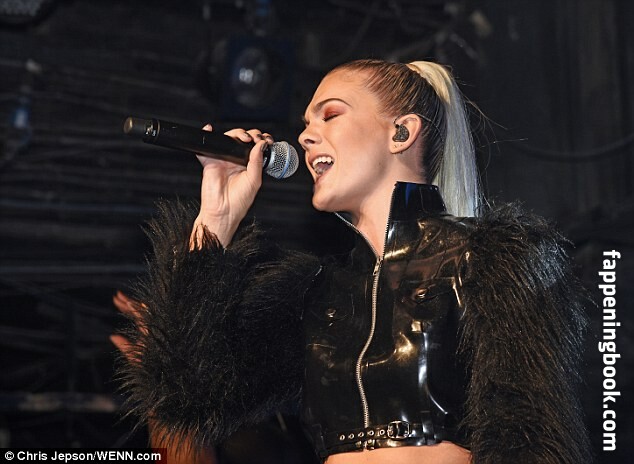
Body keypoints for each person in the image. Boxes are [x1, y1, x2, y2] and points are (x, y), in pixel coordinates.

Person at [115, 59, 591, 464]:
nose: (305, 137)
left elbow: (531, 438)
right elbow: (188, 399)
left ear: (401, 132)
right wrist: (217, 219)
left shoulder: (490, 261)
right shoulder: (312, 293)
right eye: (305, 124)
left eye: (329, 115)